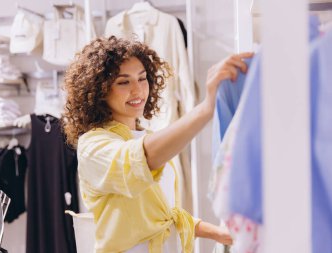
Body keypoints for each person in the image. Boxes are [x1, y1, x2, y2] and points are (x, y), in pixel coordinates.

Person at [63, 36, 253, 253]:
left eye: (142, 79)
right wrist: (206, 108)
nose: (137, 90)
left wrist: (219, 234)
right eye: (123, 82)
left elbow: (164, 216)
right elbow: (136, 160)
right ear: (100, 90)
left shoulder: (147, 136)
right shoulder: (93, 146)